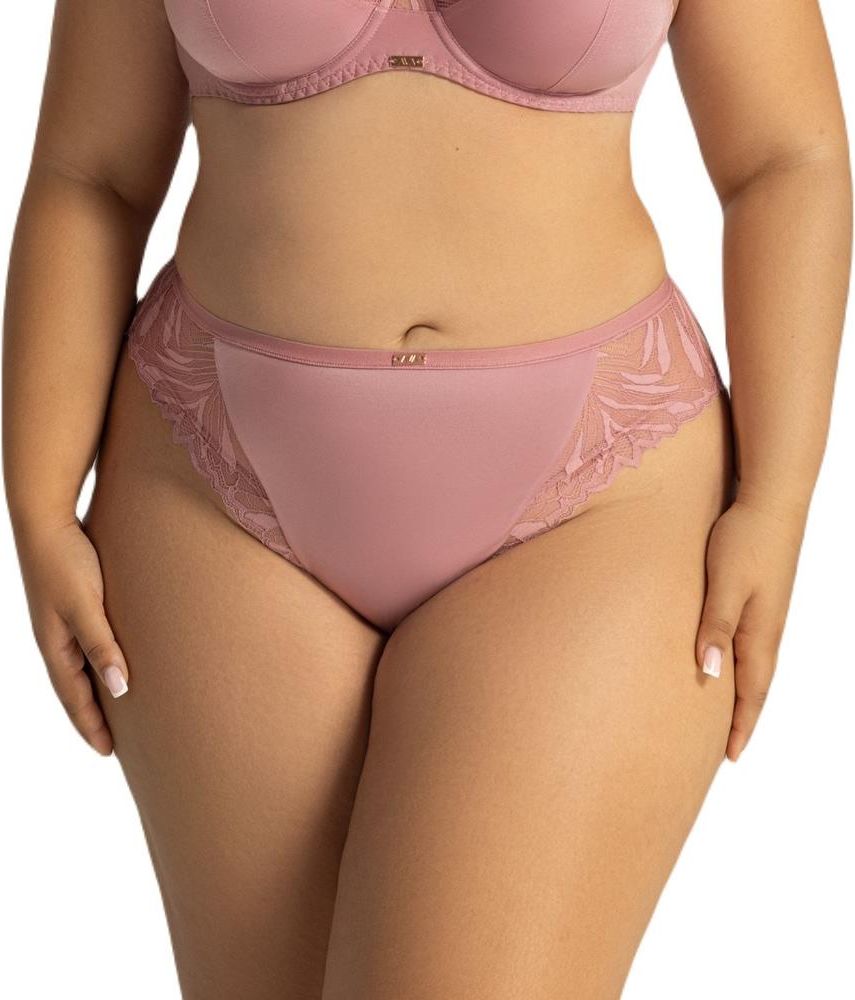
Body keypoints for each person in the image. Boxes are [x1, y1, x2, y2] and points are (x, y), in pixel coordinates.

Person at [3, 1, 851, 997]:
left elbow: (785, 155)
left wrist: (778, 499)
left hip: (597, 502)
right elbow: (91, 172)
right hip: (211, 489)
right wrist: (37, 498)